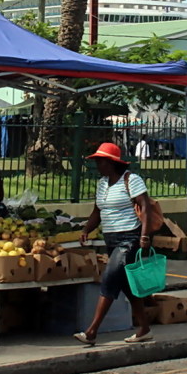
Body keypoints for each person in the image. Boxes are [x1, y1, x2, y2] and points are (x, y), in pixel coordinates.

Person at [74, 142, 153, 346]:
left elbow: (145, 207)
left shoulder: (131, 180)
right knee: (128, 286)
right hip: (111, 239)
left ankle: (92, 331)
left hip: (129, 239)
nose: (98, 165)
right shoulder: (102, 184)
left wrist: (144, 235)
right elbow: (97, 211)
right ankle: (144, 328)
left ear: (111, 163)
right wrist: (86, 230)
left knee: (109, 280)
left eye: (100, 161)